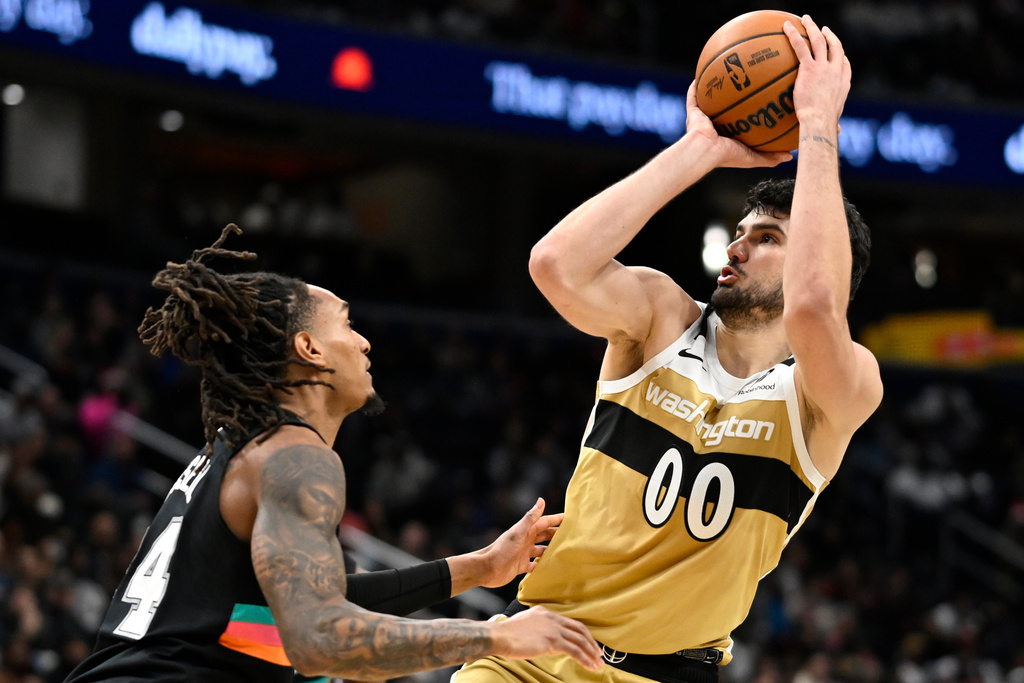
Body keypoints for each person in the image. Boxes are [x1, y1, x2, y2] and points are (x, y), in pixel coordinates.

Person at [455, 14, 883, 683]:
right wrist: (700, 149)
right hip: (532, 656)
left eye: (768, 236)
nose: (738, 245)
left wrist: (819, 125)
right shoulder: (661, 315)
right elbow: (554, 265)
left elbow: (813, 306)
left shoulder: (836, 390)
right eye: (739, 230)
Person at [65, 225, 603, 683]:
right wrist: (492, 637)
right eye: (346, 323)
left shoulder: (243, 447)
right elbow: (319, 638)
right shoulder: (296, 456)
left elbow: (323, 598)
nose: (364, 342)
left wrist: (480, 566)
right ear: (310, 349)